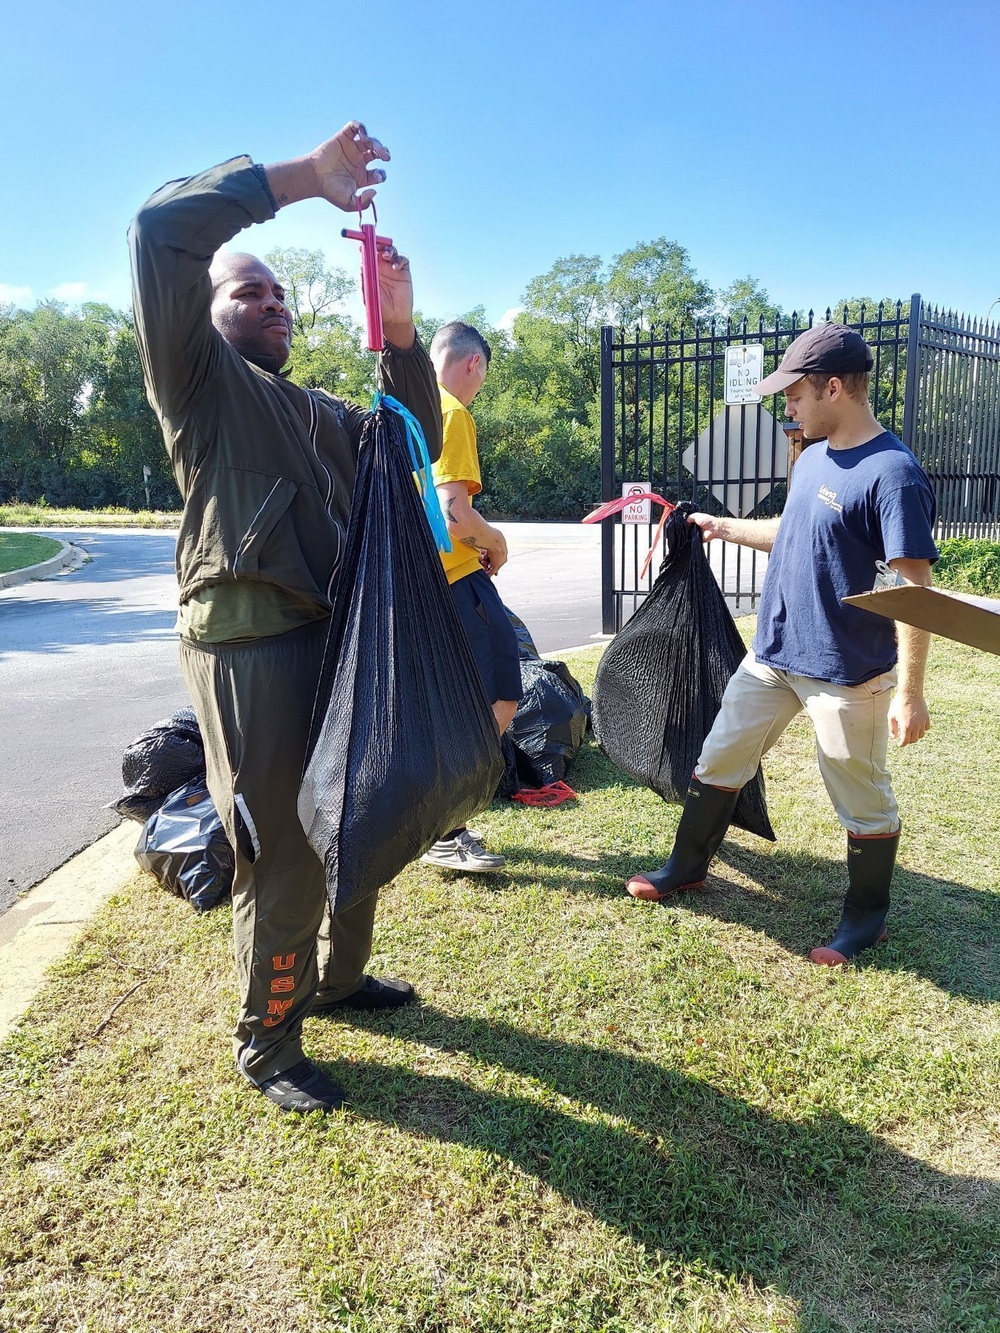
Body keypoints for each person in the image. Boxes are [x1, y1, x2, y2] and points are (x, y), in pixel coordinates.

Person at [129, 122, 443, 1113]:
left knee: (357, 813)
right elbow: (158, 230)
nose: (266, 300)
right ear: (206, 313)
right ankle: (267, 1041)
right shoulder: (201, 387)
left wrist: (399, 333)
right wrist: (302, 180)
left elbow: (409, 444)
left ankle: (338, 981)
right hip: (251, 649)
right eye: (243, 290)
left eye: (276, 292)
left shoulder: (317, 411)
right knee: (285, 853)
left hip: (335, 641)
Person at [625, 323, 938, 965]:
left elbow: (915, 592)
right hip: (774, 654)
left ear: (832, 387)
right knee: (720, 757)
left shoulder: (893, 473)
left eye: (793, 395)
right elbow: (792, 531)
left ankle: (865, 919)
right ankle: (685, 867)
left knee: (859, 791)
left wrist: (910, 692)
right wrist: (723, 527)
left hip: (847, 671)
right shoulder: (815, 454)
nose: (786, 408)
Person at [419, 321, 522, 873]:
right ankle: (447, 827)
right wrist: (497, 541)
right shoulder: (452, 412)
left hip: (418, 585)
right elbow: (454, 515)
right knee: (501, 692)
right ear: (473, 364)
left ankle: (430, 820)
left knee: (445, 702)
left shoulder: (400, 411)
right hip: (458, 578)